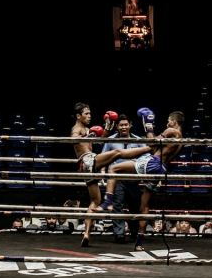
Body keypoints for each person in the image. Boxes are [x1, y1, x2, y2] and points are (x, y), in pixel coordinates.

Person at [102, 110, 185, 250]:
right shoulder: (181, 138)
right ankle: (139, 242)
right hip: (161, 169)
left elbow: (152, 144)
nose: (167, 123)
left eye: (168, 121)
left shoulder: (171, 131)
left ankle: (107, 201)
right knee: (144, 206)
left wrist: (149, 126)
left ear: (174, 121)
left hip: (153, 163)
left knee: (114, 167)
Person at [70, 102, 133, 247]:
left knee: (95, 201)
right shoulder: (77, 129)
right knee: (117, 153)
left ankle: (86, 234)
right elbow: (74, 139)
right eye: (86, 114)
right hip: (87, 160)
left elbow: (101, 138)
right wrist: (90, 135)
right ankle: (147, 151)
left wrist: (107, 127)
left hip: (88, 165)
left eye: (90, 113)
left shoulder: (86, 129)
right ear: (78, 116)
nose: (89, 116)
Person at [100, 114, 145, 243]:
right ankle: (119, 234)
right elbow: (103, 157)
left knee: (135, 206)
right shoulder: (110, 140)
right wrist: (102, 173)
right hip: (117, 178)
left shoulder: (138, 140)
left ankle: (134, 232)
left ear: (130, 125)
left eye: (126, 125)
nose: (124, 127)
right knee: (117, 205)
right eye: (121, 125)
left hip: (133, 178)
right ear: (117, 127)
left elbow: (145, 157)